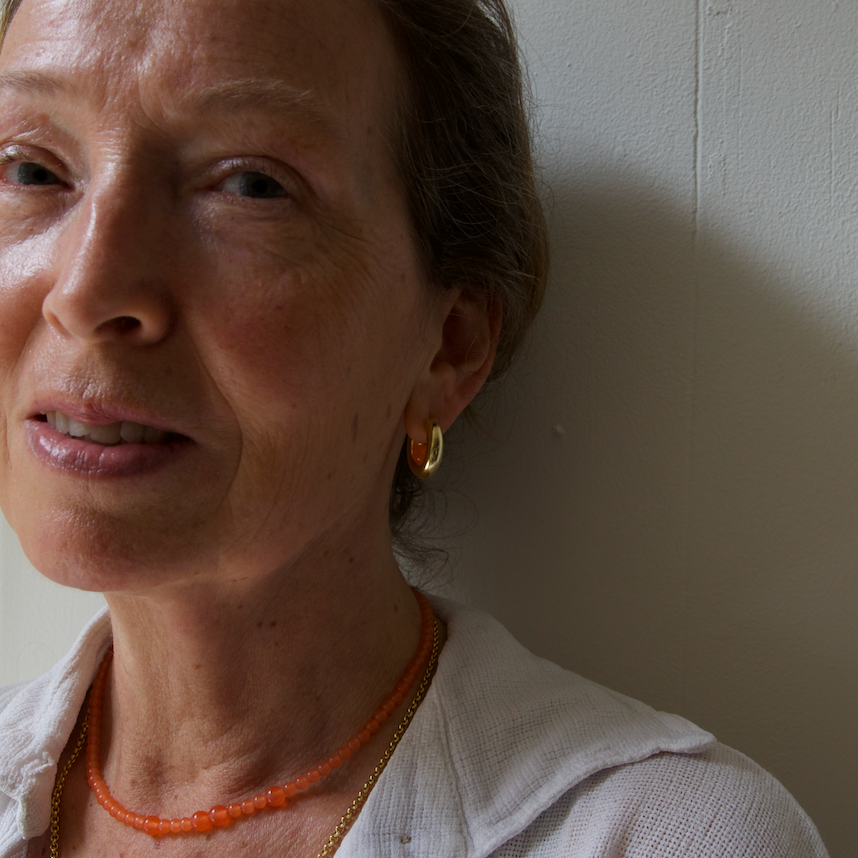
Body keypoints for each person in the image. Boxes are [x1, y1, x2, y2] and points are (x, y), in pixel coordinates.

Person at [0, 0, 830, 855]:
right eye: (31, 170)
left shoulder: (667, 839)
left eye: (250, 184)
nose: (87, 291)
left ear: (449, 346)